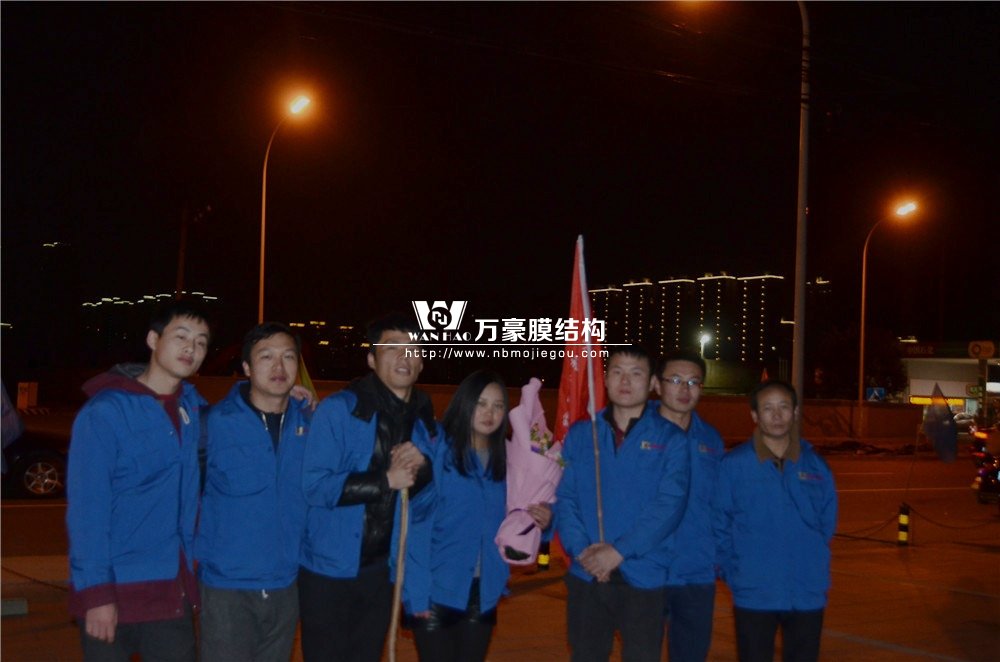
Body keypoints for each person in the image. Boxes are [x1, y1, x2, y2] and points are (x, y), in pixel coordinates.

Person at [66, 300, 210, 661]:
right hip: (116, 587)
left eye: (201, 342)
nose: (191, 348)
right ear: (153, 340)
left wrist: (289, 397)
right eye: (181, 336)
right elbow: (87, 512)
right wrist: (96, 594)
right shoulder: (105, 412)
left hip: (171, 589)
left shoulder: (193, 409)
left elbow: (242, 414)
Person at [299, 312, 436, 661]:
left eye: (413, 349)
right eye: (392, 347)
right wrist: (385, 480)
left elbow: (427, 503)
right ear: (372, 359)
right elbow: (314, 486)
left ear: (421, 363)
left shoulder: (424, 423)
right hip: (329, 570)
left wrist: (424, 470)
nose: (405, 355)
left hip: (383, 571)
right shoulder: (340, 410)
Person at [401, 370, 552, 662]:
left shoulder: (511, 460)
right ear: (465, 403)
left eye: (498, 405)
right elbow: (414, 527)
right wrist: (415, 594)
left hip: (484, 592)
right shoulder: (437, 451)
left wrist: (544, 520)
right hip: (435, 591)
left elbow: (521, 515)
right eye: (481, 403)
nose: (489, 413)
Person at [555, 345, 690, 662]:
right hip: (587, 573)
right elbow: (565, 497)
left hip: (642, 574)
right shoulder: (581, 434)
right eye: (617, 372)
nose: (625, 381)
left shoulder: (671, 439)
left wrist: (618, 552)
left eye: (636, 373)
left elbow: (669, 507)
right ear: (604, 379)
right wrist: (583, 552)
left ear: (653, 383)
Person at [195, 322, 312, 662]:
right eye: (266, 357)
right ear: (246, 367)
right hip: (227, 588)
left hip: (286, 585)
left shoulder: (311, 427)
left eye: (288, 357)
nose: (279, 367)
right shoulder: (213, 423)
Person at [713, 380, 837, 662]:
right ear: (755, 415)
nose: (777, 415)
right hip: (754, 593)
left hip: (806, 592)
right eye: (768, 408)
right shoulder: (734, 465)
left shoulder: (816, 465)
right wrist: (735, 573)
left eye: (784, 407)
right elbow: (719, 525)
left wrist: (814, 563)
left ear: (795, 412)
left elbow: (826, 523)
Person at [651, 349, 725, 662]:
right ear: (657, 384)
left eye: (693, 382)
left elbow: (721, 505)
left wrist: (720, 557)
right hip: (646, 571)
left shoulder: (711, 439)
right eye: (676, 380)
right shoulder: (635, 434)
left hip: (696, 572)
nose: (685, 389)